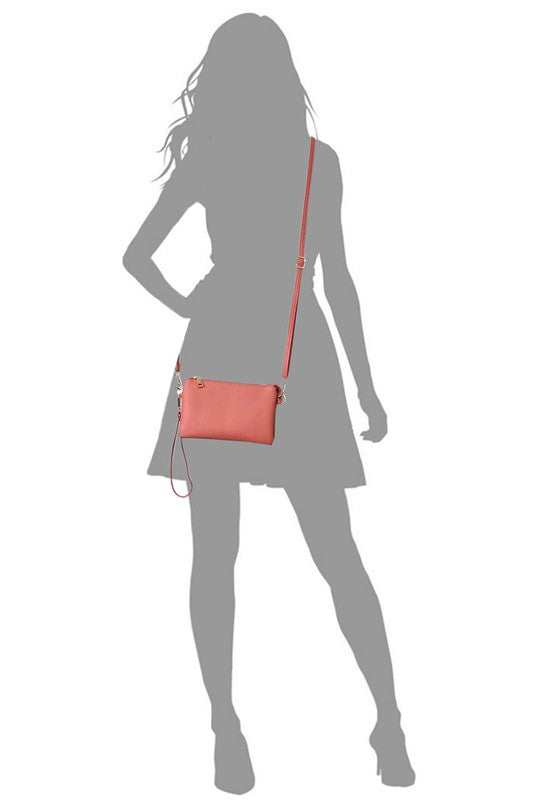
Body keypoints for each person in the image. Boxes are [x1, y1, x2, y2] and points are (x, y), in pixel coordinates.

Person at [123, 13, 415, 793]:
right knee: (339, 557)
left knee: (213, 558)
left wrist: (186, 304)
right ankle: (388, 723)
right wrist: (366, 385)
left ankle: (226, 730)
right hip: (299, 360)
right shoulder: (318, 161)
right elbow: (337, 280)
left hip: (219, 349)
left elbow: (135, 256)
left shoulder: (209, 158)